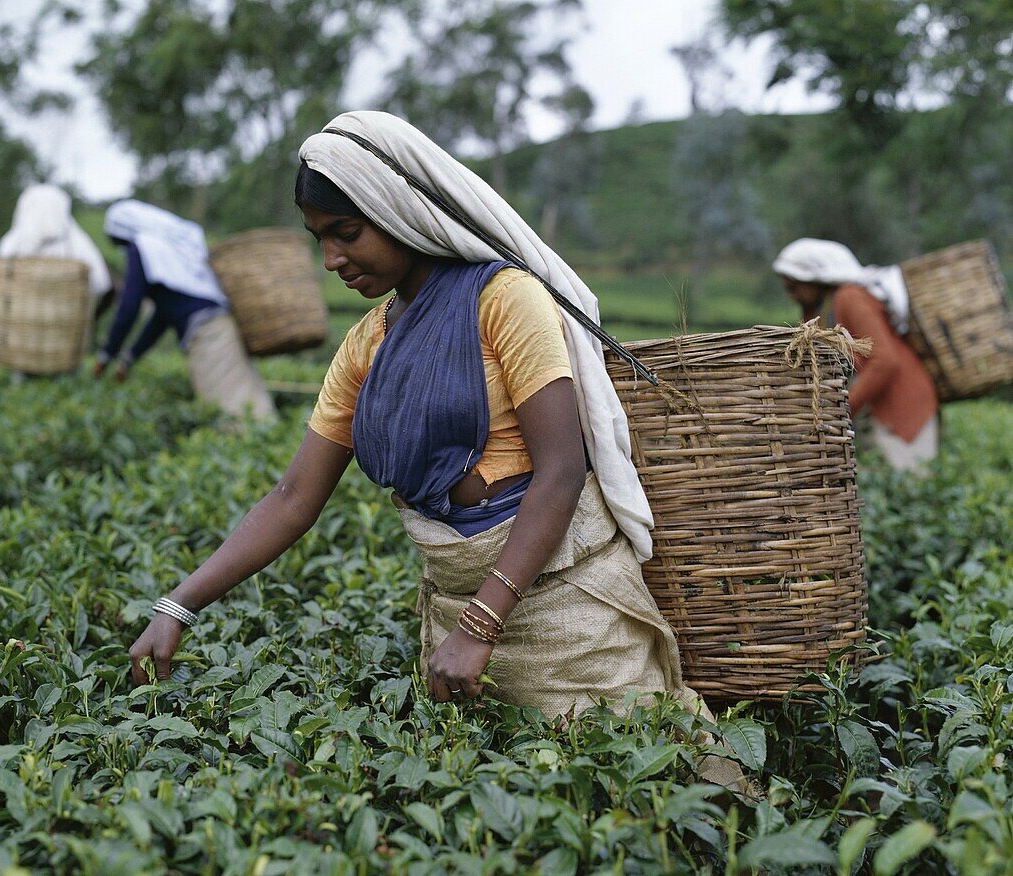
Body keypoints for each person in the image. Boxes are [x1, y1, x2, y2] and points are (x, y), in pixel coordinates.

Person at [126, 112, 745, 791]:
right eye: (320, 240)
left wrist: (482, 626)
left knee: (647, 787)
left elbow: (562, 471)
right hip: (456, 622)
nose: (331, 260)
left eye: (346, 233)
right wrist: (179, 604)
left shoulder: (505, 300)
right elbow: (293, 498)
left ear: (398, 210)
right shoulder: (366, 345)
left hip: (563, 611)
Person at [94, 199, 276, 423]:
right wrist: (129, 358)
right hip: (215, 328)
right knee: (241, 398)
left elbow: (128, 308)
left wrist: (106, 355)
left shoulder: (142, 247)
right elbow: (162, 316)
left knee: (231, 412)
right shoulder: (164, 254)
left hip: (210, 335)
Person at [774, 238, 939, 472]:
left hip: (902, 404)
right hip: (879, 407)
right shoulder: (825, 307)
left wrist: (844, 408)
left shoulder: (850, 297)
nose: (791, 295)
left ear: (814, 279)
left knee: (910, 484)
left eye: (793, 287)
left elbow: (885, 361)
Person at [0, 183, 115, 319]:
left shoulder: (12, 242)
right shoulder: (77, 243)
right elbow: (100, 283)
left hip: (20, 323)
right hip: (66, 322)